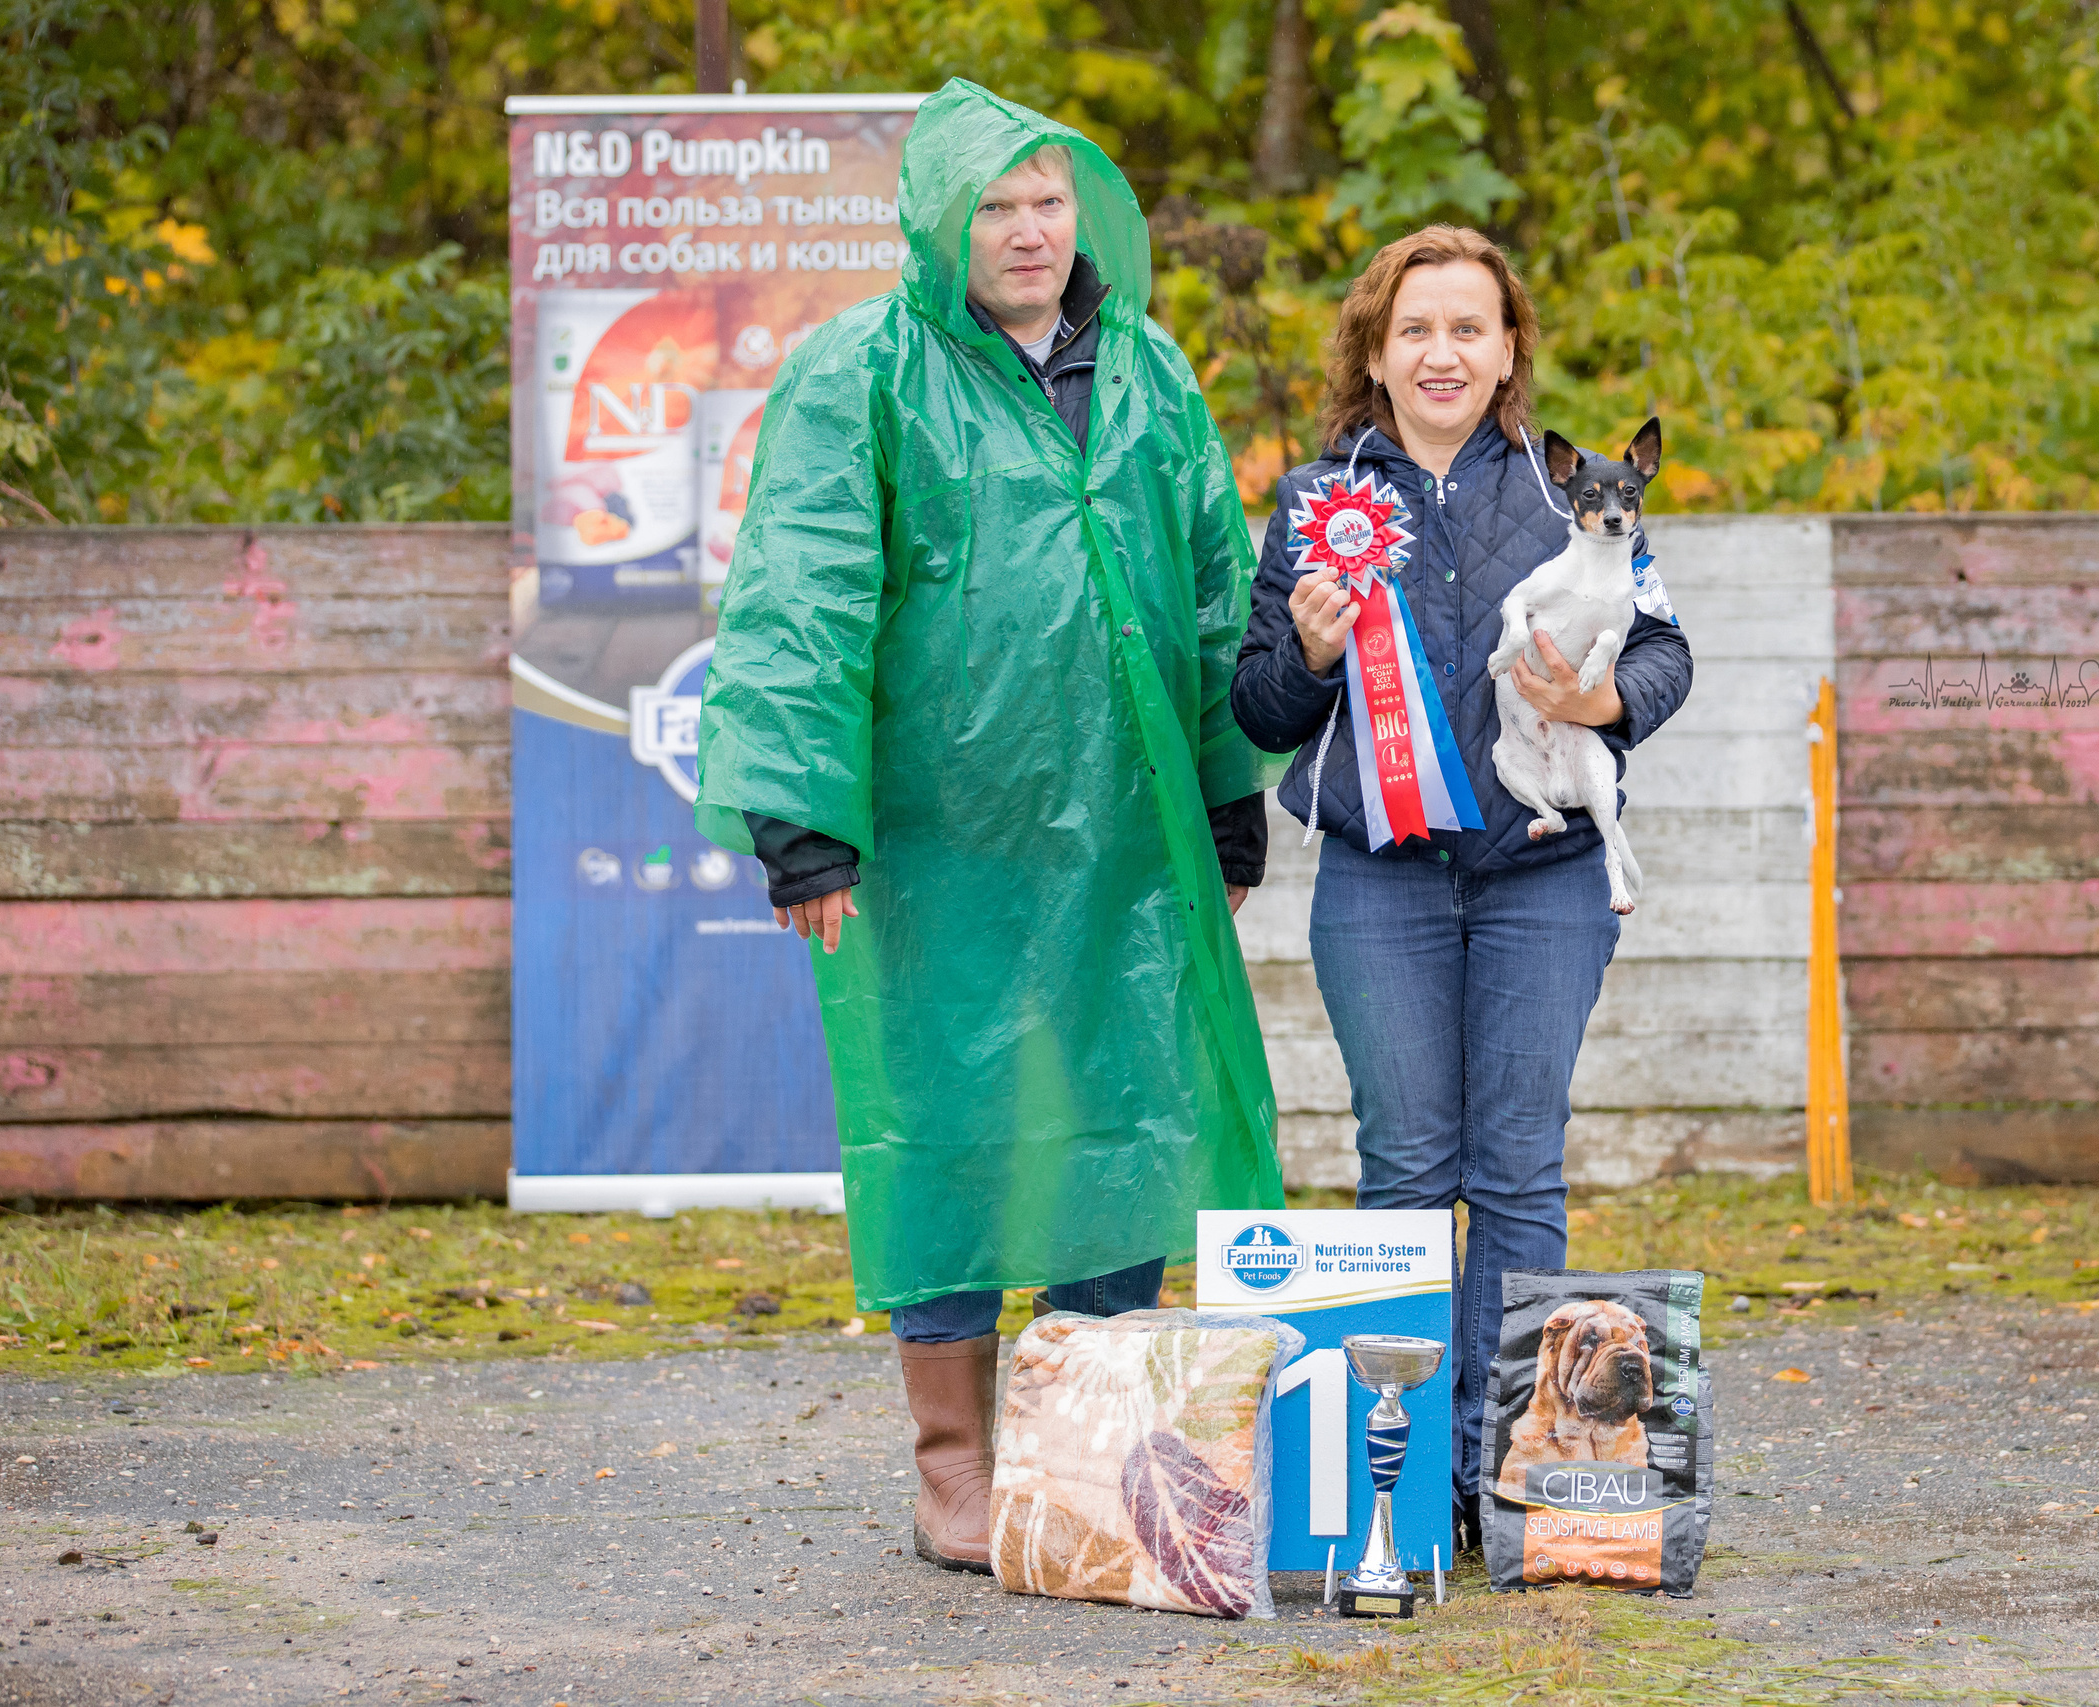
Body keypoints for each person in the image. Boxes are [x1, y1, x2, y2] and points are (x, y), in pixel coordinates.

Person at [692, 80, 1285, 1576]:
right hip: (935, 835)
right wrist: (802, 818)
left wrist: (1224, 785)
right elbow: (800, 590)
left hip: (1121, 835)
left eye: (1048, 201)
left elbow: (1213, 580)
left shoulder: (1148, 369)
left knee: (1124, 1107)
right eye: (996, 207)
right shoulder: (860, 375)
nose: (1028, 232)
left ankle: (1078, 1440)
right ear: (939, 223)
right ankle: (952, 1460)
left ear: (1081, 212)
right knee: (945, 1122)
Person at [1228, 225, 1693, 1546]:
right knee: (1409, 1169)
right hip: (1382, 883)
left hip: (1544, 876)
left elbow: (1665, 656)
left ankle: (1525, 1483)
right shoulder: (1315, 501)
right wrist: (1313, 653)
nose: (1442, 350)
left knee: (1520, 1167)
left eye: (1469, 327)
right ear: (1375, 353)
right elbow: (1260, 700)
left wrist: (1604, 696)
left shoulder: (1575, 499)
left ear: (1506, 355)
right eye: (1415, 327)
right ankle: (1408, 1488)